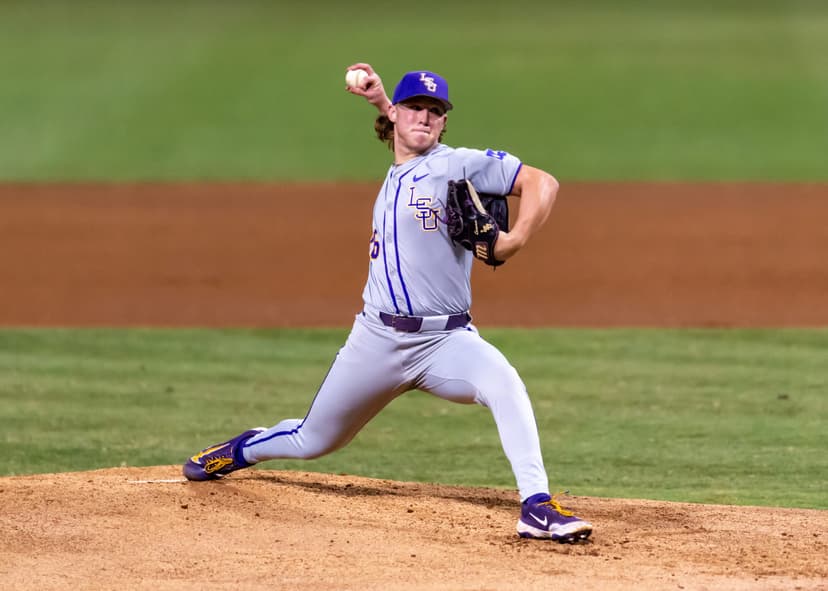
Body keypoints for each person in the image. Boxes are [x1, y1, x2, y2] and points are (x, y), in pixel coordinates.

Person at [183, 63, 593, 542]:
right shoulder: (401, 163)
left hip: (447, 340)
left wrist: (513, 239)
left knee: (506, 385)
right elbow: (404, 141)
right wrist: (380, 101)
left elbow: (543, 182)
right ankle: (240, 450)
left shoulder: (455, 163)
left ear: (444, 123)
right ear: (396, 115)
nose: (425, 117)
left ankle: (536, 506)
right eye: (415, 107)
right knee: (312, 440)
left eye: (435, 111)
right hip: (376, 341)